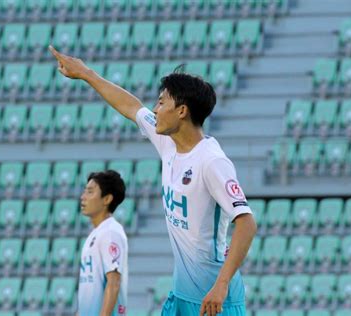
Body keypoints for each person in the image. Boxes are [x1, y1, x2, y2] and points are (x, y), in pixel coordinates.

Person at [50, 45, 257, 316]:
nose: (155, 109)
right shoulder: (167, 142)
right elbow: (131, 106)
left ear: (181, 111)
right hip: (182, 293)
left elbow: (247, 222)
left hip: (214, 298)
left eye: (161, 102)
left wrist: (221, 285)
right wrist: (86, 74)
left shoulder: (211, 161)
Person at [78, 170, 128, 316]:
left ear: (106, 199)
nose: (83, 197)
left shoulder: (110, 233)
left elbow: (114, 282)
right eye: (84, 191)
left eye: (90, 192)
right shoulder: (95, 235)